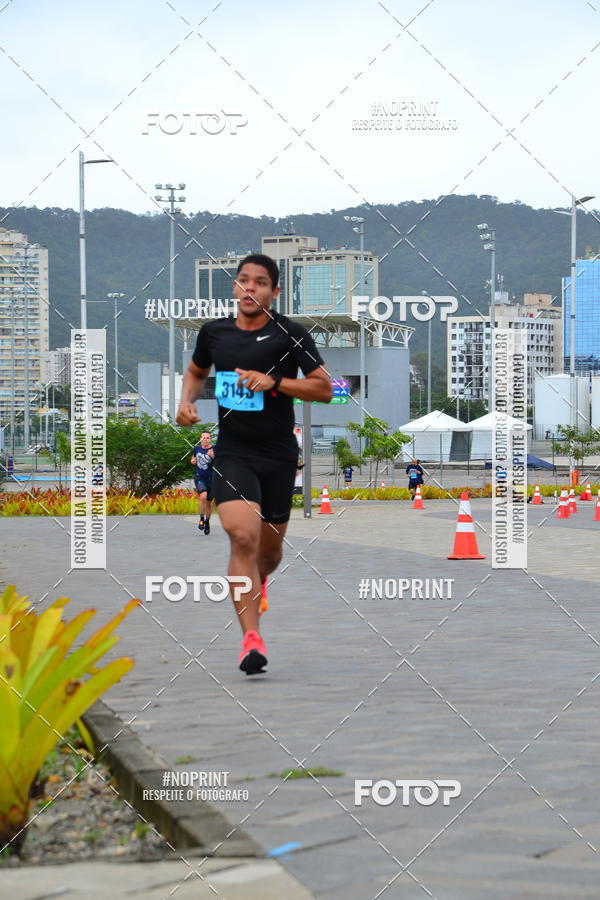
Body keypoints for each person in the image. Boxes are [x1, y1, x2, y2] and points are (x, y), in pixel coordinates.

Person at [176, 253, 332, 675]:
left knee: (270, 550)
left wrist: (275, 382)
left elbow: (324, 389)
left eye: (260, 282)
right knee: (242, 537)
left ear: (274, 291)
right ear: (235, 287)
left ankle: (259, 583)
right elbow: (195, 371)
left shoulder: (290, 333)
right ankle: (251, 639)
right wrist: (186, 401)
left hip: (278, 455)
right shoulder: (215, 333)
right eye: (243, 281)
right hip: (234, 453)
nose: (250, 288)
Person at [191, 430, 215, 534]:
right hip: (200, 477)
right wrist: (192, 461)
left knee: (209, 503)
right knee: (203, 496)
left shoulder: (214, 449)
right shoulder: (197, 448)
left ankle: (207, 522)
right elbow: (193, 459)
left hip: (212, 479)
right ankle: (201, 519)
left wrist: (214, 457)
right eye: (203, 438)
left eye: (207, 438)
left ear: (210, 439)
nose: (205, 440)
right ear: (201, 439)